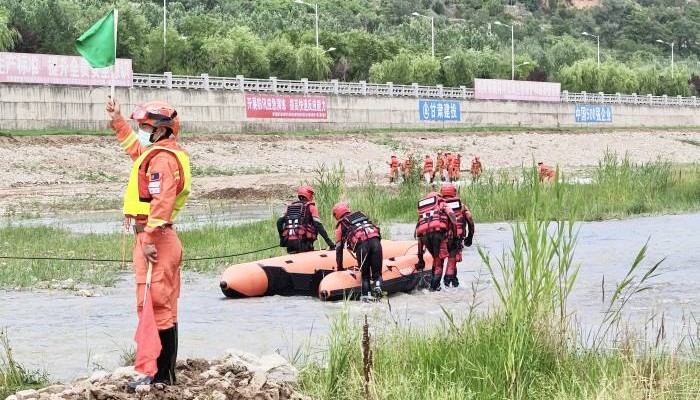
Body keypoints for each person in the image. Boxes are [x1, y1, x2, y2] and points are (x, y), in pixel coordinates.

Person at [106, 97, 189, 387]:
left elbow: (163, 200)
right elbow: (134, 149)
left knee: (157, 305)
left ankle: (161, 375)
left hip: (156, 239)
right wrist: (118, 120)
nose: (141, 130)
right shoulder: (155, 153)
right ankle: (163, 372)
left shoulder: (163, 159)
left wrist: (150, 238)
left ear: (162, 130)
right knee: (161, 304)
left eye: (145, 126)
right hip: (155, 237)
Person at [332, 202, 383, 301]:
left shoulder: (340, 226)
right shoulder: (362, 215)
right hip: (376, 242)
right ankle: (378, 287)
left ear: (337, 214)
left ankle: (367, 297)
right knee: (377, 275)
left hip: (362, 246)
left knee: (365, 276)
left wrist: (339, 268)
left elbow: (339, 250)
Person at [414, 191, 457, 291]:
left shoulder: (422, 212)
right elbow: (453, 218)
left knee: (436, 260)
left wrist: (420, 258)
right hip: (438, 235)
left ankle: (435, 287)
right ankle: (433, 290)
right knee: (439, 263)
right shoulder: (442, 203)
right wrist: (455, 236)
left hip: (424, 237)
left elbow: (419, 236)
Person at [277, 185, 335, 253]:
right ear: (309, 194)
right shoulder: (311, 207)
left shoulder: (289, 207)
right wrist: (329, 242)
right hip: (304, 243)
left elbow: (279, 222)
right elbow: (318, 225)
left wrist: (282, 239)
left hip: (290, 243)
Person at [439, 183, 475, 288]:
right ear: (454, 192)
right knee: (452, 261)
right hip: (456, 239)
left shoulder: (439, 206)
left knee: (439, 264)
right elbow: (471, 222)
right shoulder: (462, 206)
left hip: (441, 239)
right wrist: (470, 236)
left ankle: (453, 282)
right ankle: (448, 286)